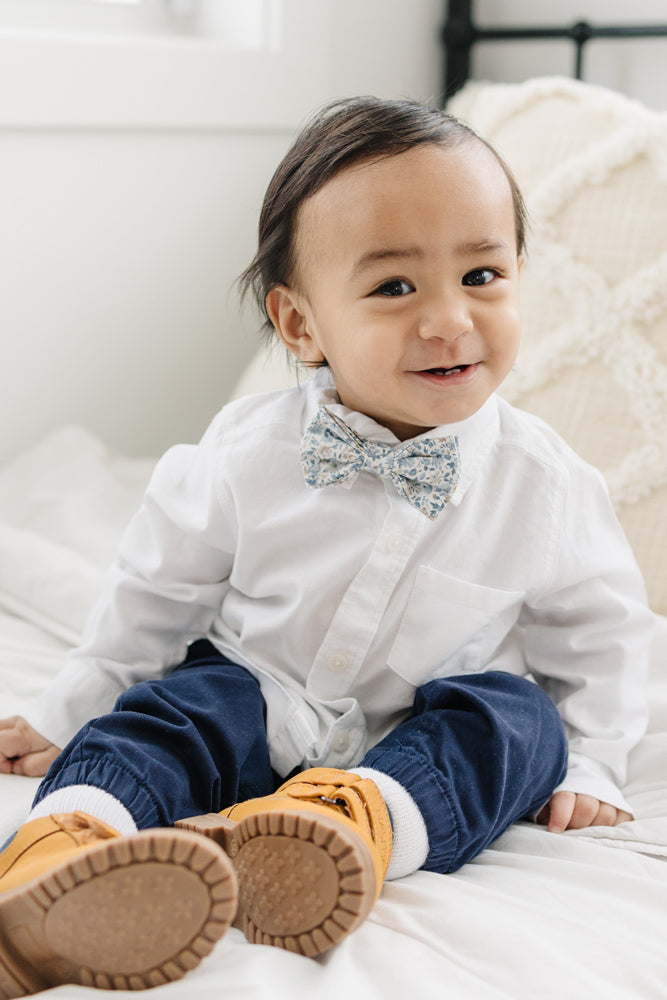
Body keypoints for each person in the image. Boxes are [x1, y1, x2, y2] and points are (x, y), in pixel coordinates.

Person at [0, 96, 654, 994]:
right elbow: (154, 591)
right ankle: (60, 857)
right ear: (301, 326)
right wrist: (71, 701)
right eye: (393, 287)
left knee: (516, 720)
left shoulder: (546, 484)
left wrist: (592, 761)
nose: (449, 321)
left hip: (422, 723)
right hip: (257, 690)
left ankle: (338, 836)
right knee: (163, 715)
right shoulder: (244, 452)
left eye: (482, 276)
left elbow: (603, 635)